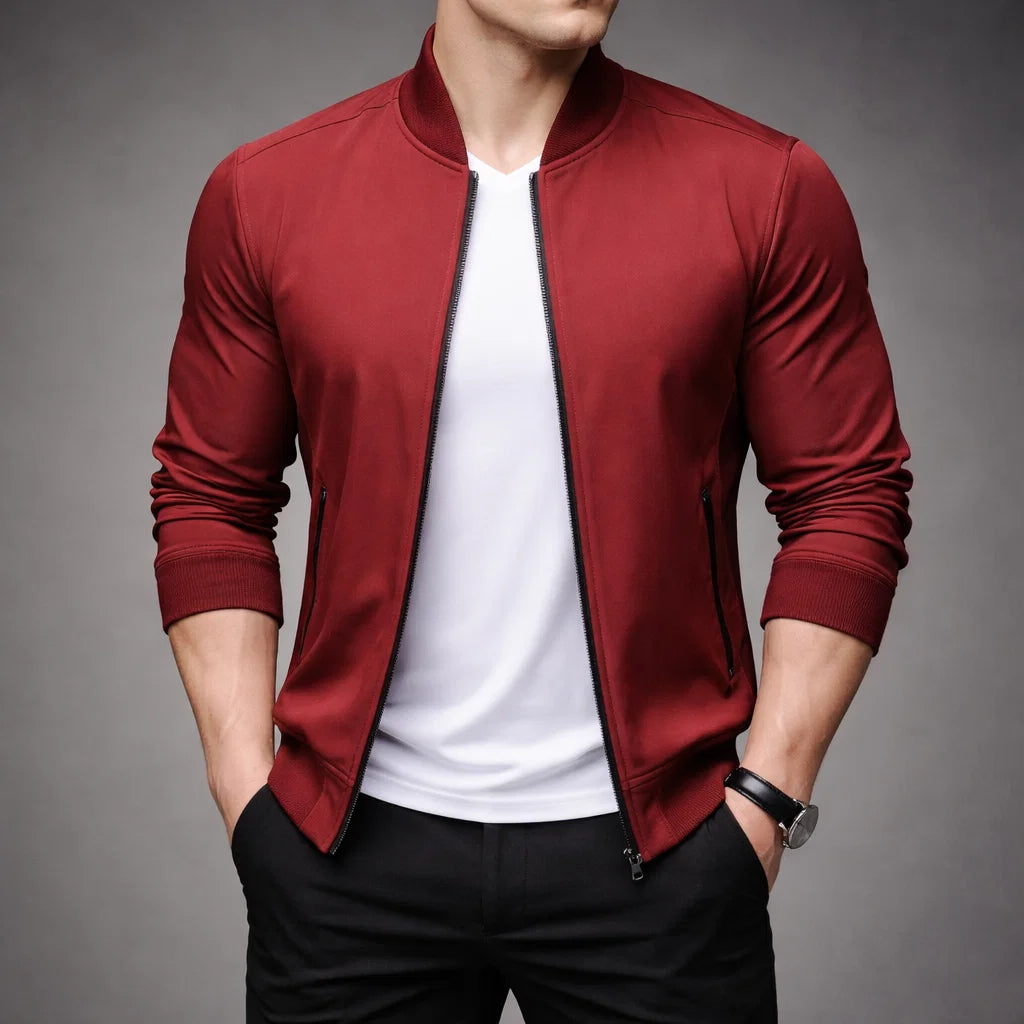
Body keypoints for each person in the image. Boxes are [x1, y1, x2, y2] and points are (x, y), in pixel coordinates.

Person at [148, 2, 914, 1021]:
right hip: (344, 858)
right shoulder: (268, 193)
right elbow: (210, 498)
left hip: (666, 858)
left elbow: (847, 493)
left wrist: (765, 801)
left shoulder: (762, 185)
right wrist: (247, 793)